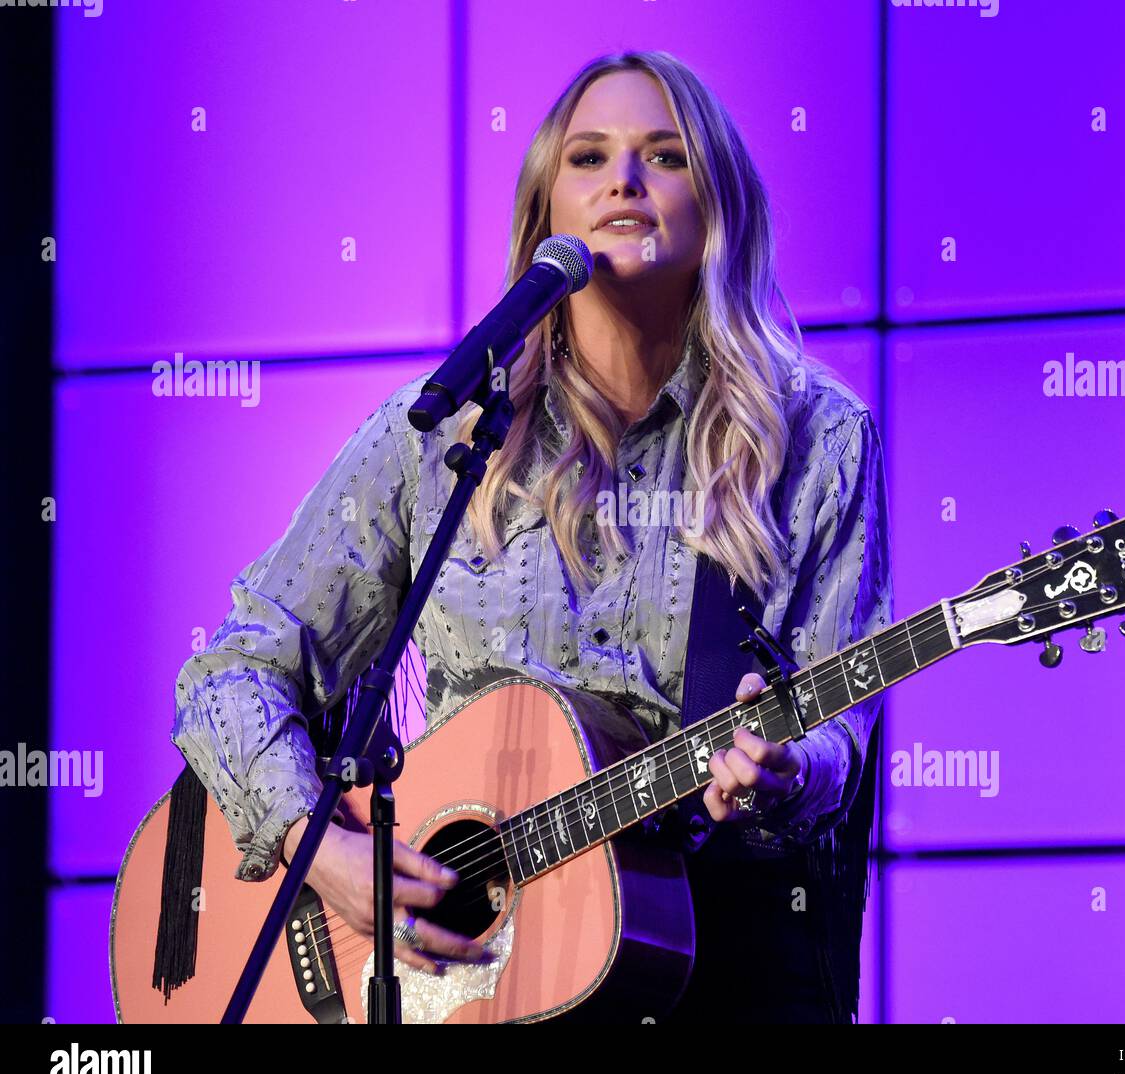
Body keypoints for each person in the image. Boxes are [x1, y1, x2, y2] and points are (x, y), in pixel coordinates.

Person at [171, 49, 891, 1023]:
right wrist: (317, 846)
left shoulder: (812, 437)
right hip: (461, 993)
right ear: (546, 212)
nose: (624, 180)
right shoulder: (440, 436)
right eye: (589, 157)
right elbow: (237, 666)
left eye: (665, 155)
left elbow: (839, 726)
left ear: (718, 204)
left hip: (707, 970)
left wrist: (789, 769)